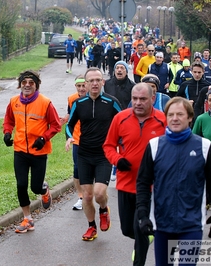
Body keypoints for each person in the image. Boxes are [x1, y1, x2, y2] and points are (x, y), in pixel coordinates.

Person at [136, 97, 211, 265]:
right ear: (166, 117)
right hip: (162, 223)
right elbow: (143, 182)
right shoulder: (154, 146)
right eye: (171, 114)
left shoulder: (204, 147)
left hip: (191, 224)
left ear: (190, 117)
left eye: (180, 114)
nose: (175, 118)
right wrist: (142, 214)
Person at [103, 83, 166, 265]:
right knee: (127, 230)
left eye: (143, 99)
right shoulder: (120, 118)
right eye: (135, 99)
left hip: (151, 186)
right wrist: (117, 159)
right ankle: (146, 236)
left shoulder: (162, 120)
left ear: (152, 99)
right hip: (125, 183)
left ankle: (139, 256)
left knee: (140, 228)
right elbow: (108, 145)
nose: (138, 103)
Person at [66, 67, 122, 241]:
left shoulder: (111, 102)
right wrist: (69, 138)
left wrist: (123, 141)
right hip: (84, 153)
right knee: (87, 195)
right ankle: (91, 227)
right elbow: (69, 124)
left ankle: (104, 209)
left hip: (104, 154)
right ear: (87, 84)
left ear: (102, 82)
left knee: (99, 193)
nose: (95, 83)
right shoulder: (79, 103)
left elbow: (124, 120)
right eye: (91, 81)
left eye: (98, 80)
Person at [3, 70, 61, 233]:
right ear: (20, 84)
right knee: (21, 185)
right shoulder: (14, 101)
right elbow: (8, 120)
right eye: (24, 82)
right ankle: (27, 219)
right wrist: (7, 133)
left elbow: (56, 125)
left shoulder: (45, 103)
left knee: (35, 188)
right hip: (20, 150)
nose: (27, 85)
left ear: (36, 85)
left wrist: (43, 138)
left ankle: (43, 189)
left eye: (31, 83)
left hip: (38, 151)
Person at [61, 75, 88, 210]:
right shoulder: (72, 99)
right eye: (79, 86)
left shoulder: (96, 97)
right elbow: (70, 114)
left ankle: (91, 194)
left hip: (92, 138)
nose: (82, 88)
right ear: (75, 86)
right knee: (77, 169)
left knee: (91, 169)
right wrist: (68, 135)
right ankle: (81, 197)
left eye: (84, 85)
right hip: (77, 137)